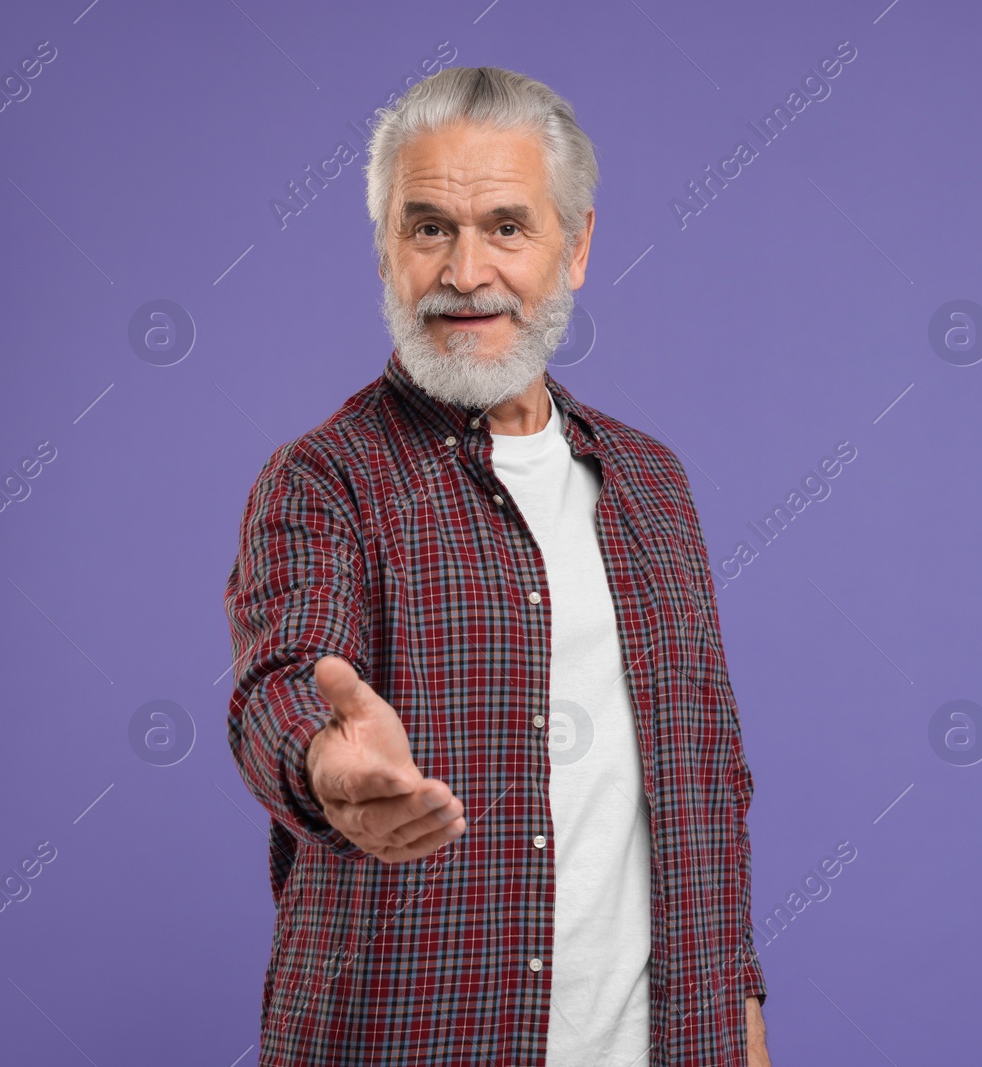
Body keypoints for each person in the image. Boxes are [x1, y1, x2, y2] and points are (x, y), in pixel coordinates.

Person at [224, 65, 769, 1066]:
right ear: (387, 247)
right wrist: (326, 762)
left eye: (507, 227)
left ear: (577, 246)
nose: (466, 271)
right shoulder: (321, 479)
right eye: (428, 226)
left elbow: (710, 783)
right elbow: (282, 683)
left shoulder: (652, 481)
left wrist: (741, 1026)